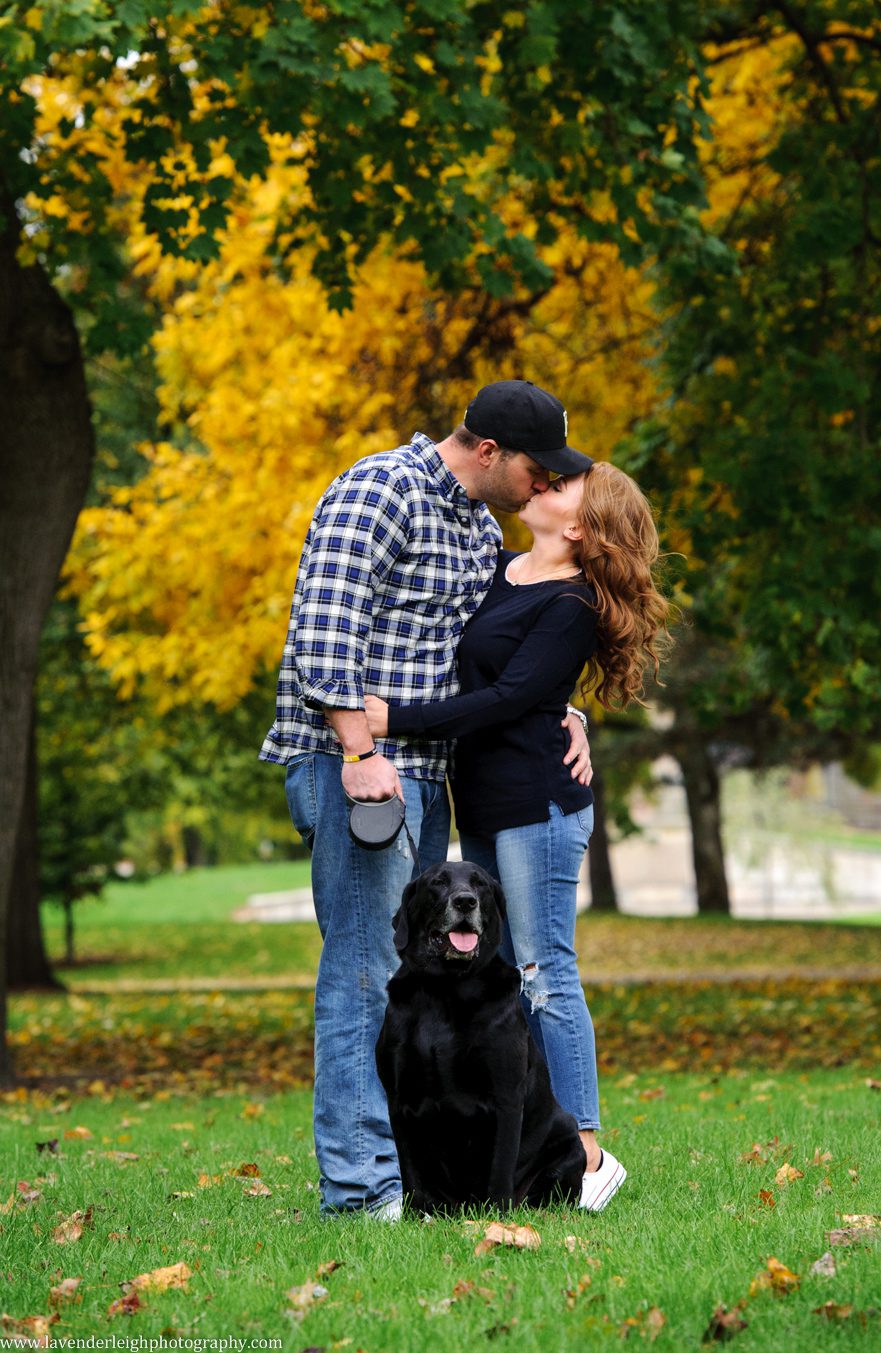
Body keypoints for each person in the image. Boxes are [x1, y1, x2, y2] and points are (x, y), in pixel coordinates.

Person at [259, 380, 594, 1217]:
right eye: (536, 472)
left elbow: (502, 647)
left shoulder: (479, 528)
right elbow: (322, 632)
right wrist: (358, 748)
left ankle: (417, 1184)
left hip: (425, 769)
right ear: (490, 452)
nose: (542, 489)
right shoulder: (379, 489)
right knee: (366, 973)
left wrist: (566, 704)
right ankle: (361, 1190)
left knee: (414, 972)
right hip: (359, 768)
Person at [365, 458, 670, 1211]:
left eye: (563, 485)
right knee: (493, 971)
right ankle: (503, 1155)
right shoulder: (504, 572)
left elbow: (508, 696)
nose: (543, 481)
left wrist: (393, 720)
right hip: (487, 803)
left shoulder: (570, 605)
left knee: (543, 972)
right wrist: (572, 711)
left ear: (580, 525)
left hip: (539, 804)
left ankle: (588, 1152)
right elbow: (521, 686)